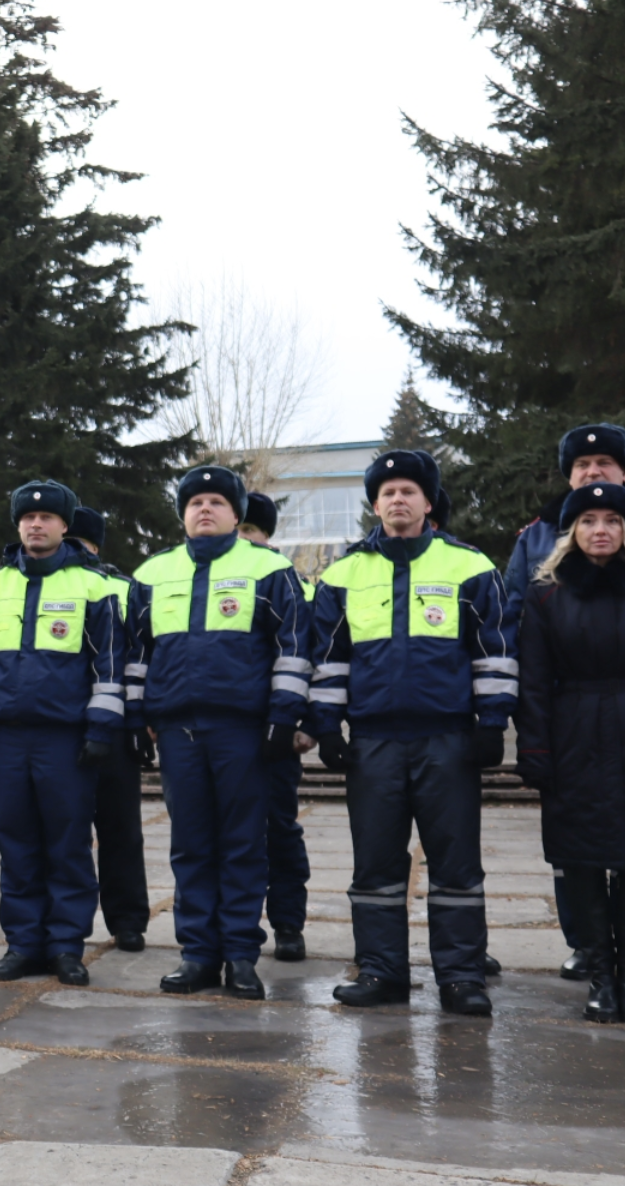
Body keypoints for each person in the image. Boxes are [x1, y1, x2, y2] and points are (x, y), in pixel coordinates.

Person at [306, 449, 512, 1017]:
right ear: (375, 504)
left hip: (446, 740)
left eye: (409, 491)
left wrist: (492, 724)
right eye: (388, 492)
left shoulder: (468, 567)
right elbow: (328, 659)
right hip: (374, 743)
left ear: (427, 502)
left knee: (456, 864)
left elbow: (493, 653)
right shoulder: (343, 573)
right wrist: (326, 727)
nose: (398, 500)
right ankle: (382, 970)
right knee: (375, 865)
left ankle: (462, 976)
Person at [126, 466, 309, 1001]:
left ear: (236, 514)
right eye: (195, 503)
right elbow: (137, 657)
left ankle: (240, 955)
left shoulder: (269, 569)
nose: (204, 510)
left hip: (242, 731)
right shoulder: (152, 574)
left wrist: (283, 716)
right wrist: (137, 720)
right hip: (177, 732)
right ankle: (198, 955)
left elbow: (292, 649)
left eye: (216, 502)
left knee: (243, 844)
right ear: (182, 514)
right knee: (191, 845)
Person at [0, 481, 125, 984]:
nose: (36, 524)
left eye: (47, 517)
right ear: (17, 525)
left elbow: (109, 666)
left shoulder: (95, 586)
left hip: (66, 740)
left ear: (65, 525)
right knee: (17, 844)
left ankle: (67, 947)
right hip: (7, 740)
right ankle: (23, 944)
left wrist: (100, 727)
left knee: (68, 845)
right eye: (28, 518)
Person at [503, 423, 625, 980]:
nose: (592, 472)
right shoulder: (537, 539)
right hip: (570, 719)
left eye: (604, 462)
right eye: (582, 465)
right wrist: (534, 736)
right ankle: (589, 948)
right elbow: (516, 624)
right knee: (575, 848)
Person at [69, 505, 151, 952]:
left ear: (94, 546)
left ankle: (128, 919)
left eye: (77, 545)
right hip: (62, 726)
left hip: (114, 727)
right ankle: (78, 922)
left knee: (120, 827)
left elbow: (141, 654)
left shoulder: (122, 588)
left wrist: (139, 721)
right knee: (72, 831)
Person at [236, 491, 311, 963]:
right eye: (237, 530)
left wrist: (303, 721)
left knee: (279, 829)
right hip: (226, 727)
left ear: (266, 535)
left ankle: (287, 923)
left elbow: (312, 654)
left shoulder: (296, 584)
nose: (242, 540)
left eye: (250, 532)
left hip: (278, 730)